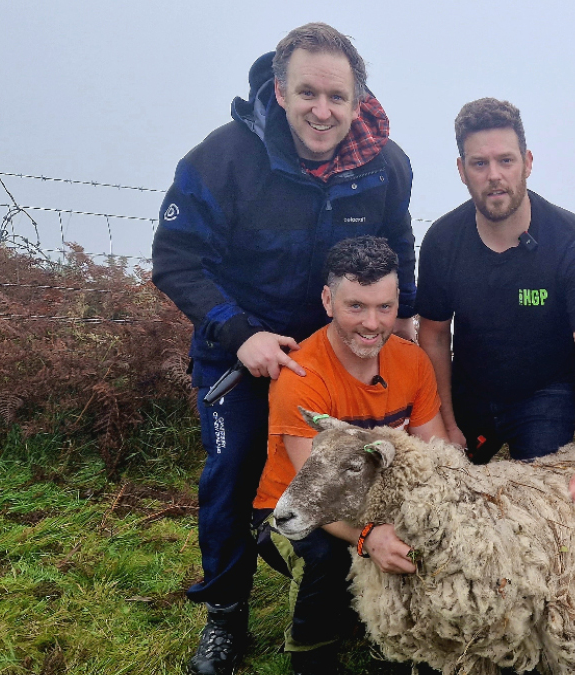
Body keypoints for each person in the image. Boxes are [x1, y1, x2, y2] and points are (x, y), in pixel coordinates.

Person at [151, 23, 417, 675]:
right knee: (236, 468)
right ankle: (225, 615)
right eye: (308, 93)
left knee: (360, 466)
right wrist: (240, 334)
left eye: (337, 97)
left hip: (336, 353)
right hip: (240, 343)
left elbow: (399, 244)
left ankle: (354, 584)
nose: (322, 111)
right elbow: (174, 257)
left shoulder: (387, 165)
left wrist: (401, 318)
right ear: (280, 89)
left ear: (358, 100)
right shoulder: (223, 157)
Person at [252, 236, 446, 674]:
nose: (372, 324)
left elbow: (433, 452)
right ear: (328, 300)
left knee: (427, 534)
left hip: (377, 496)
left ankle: (393, 641)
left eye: (385, 307)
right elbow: (318, 495)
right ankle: (310, 652)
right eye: (355, 306)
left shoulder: (413, 362)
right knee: (324, 554)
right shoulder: (301, 376)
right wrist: (370, 536)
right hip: (294, 504)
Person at [416, 98, 575, 508]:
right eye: (479, 163)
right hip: (471, 391)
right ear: (461, 170)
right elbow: (434, 337)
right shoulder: (441, 242)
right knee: (446, 499)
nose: (494, 176)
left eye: (505, 161)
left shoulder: (573, 241)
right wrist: (447, 424)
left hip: (543, 393)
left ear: (527, 161)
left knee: (543, 508)